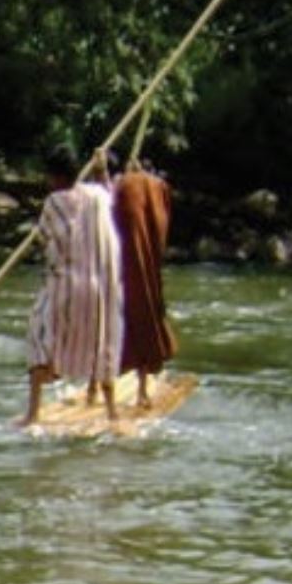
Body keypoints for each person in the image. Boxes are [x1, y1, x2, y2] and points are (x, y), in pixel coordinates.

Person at [23, 145, 123, 425]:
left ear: (54, 177)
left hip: (68, 285)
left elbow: (44, 237)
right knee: (101, 339)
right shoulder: (98, 195)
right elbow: (110, 192)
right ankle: (112, 411)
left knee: (37, 333)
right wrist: (102, 170)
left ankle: (32, 414)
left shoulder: (54, 202)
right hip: (101, 288)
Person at [111, 154, 178, 407]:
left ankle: (102, 389)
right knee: (140, 313)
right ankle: (135, 388)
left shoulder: (128, 187)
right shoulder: (155, 188)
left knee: (128, 317)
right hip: (141, 265)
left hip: (125, 265)